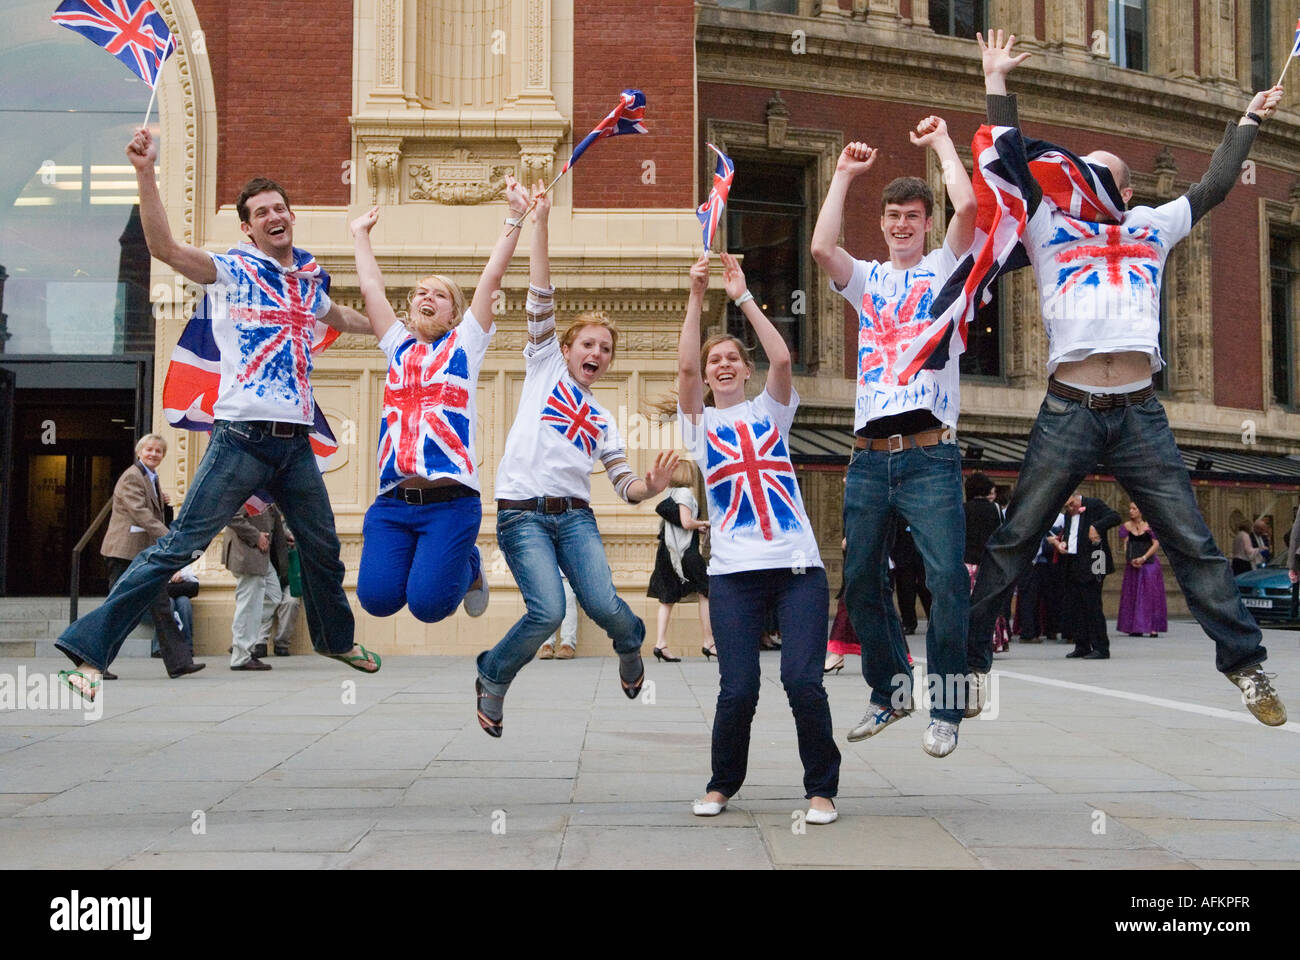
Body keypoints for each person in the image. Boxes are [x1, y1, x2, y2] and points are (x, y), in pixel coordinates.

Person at [965, 30, 1286, 725]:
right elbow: (1016, 167)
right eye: (1084, 176)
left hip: (1140, 410)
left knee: (1192, 540)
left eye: (1103, 176)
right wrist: (997, 82)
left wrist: (1250, 119)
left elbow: (1217, 185)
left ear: (1128, 189)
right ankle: (965, 670)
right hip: (1069, 408)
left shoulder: (1153, 225)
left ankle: (1247, 667)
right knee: (1017, 535)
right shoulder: (1049, 227)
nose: (1088, 183)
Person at [54, 127, 381, 703]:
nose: (274, 216)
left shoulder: (306, 278)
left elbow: (342, 318)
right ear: (248, 228)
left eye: (280, 207)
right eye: (262, 212)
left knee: (324, 545)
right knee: (179, 546)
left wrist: (398, 329)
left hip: (294, 442)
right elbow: (165, 249)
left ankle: (335, 639)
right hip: (242, 440)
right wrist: (144, 173)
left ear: (290, 216)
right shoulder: (233, 269)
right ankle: (86, 651)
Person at [475, 185, 677, 737]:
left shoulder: (604, 420)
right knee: (546, 613)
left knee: (606, 606)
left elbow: (625, 485)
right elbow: (540, 292)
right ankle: (492, 677)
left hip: (575, 518)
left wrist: (652, 486)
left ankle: (631, 644)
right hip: (522, 516)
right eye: (587, 344)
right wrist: (538, 222)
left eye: (605, 349)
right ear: (566, 349)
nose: (595, 354)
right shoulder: (544, 366)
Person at [812, 112, 977, 755]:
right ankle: (891, 694)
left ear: (926, 223)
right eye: (893, 217)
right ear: (882, 224)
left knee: (945, 580)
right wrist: (844, 176)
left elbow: (968, 203)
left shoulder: (946, 268)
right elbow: (823, 249)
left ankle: (949, 709)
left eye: (913, 215)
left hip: (932, 455)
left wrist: (939, 142)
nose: (902, 225)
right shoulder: (869, 281)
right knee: (857, 578)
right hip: (868, 456)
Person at [680, 252, 840, 825]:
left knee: (803, 682)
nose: (722, 365)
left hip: (797, 569)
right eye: (713, 360)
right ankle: (723, 784)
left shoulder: (771, 412)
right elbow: (684, 374)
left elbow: (782, 356)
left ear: (743, 371)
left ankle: (821, 789)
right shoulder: (700, 426)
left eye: (730, 359)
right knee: (737, 690)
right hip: (732, 577)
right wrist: (698, 295)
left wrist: (742, 294)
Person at [348, 179, 531, 628]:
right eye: (419, 293)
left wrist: (515, 217)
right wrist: (359, 235)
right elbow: (372, 290)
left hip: (451, 502)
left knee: (429, 607)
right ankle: (431, 562)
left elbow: (492, 276)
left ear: (454, 313)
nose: (426, 298)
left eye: (440, 294)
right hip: (394, 502)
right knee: (377, 600)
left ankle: (468, 566)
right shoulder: (396, 347)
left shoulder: (465, 346)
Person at [97, 433, 205, 682]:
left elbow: (151, 512)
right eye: (149, 450)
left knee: (162, 607)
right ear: (139, 451)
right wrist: (170, 538)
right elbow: (140, 513)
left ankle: (179, 662)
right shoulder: (132, 477)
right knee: (116, 610)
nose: (153, 454)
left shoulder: (151, 478)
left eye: (158, 451)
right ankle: (93, 661)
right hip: (124, 554)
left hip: (144, 556)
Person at [646, 459, 713, 662]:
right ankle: (709, 642)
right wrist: (705, 523)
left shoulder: (670, 494)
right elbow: (685, 522)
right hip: (685, 552)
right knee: (706, 591)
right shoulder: (684, 494)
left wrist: (696, 526)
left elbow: (678, 523)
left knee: (667, 599)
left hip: (667, 552)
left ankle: (660, 644)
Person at [1048, 493, 1120, 659]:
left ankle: (1101, 647)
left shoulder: (1094, 504)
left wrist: (1096, 526)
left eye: (1070, 504)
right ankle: (1082, 645)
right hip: (1073, 561)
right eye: (1066, 507)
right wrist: (1063, 543)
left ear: (1076, 497)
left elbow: (1115, 517)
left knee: (1093, 606)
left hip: (1095, 561)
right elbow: (1071, 534)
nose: (1068, 509)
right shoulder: (1069, 514)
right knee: (1076, 606)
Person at [222, 503, 293, 671]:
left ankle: (242, 640)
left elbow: (269, 518)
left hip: (259, 555)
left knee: (273, 596)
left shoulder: (263, 487)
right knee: (248, 605)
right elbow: (230, 514)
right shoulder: (250, 486)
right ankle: (241, 656)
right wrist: (256, 536)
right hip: (247, 553)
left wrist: (284, 536)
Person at [963, 472, 1007, 653]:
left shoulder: (963, 509)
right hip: (990, 562)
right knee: (989, 603)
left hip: (967, 562)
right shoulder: (996, 509)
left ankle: (967, 640)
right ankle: (992, 640)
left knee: (968, 603)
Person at [1117, 502, 1168, 637]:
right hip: (1133, 563)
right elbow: (1126, 544)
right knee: (1133, 592)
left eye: (1134, 508)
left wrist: (1144, 558)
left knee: (1151, 594)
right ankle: (1135, 627)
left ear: (1141, 511)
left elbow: (1156, 544)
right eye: (1130, 508)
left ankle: (1153, 627)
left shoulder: (1150, 526)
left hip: (1149, 563)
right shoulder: (1127, 526)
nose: (1131, 511)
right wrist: (1131, 559)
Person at [537, 571, 578, 659]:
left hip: (567, 573)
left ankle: (568, 644)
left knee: (568, 600)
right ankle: (546, 644)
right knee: (546, 604)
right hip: (545, 573)